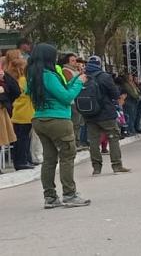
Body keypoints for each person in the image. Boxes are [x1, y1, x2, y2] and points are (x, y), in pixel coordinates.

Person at [27, 43, 90, 208]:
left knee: (49, 159)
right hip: (58, 119)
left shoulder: (33, 75)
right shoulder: (49, 75)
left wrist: (76, 79)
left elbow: (57, 91)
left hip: (40, 119)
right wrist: (78, 84)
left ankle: (50, 196)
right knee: (67, 155)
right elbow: (65, 96)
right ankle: (69, 194)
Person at [82, 56, 132, 175]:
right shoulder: (105, 77)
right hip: (106, 113)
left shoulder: (83, 77)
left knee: (94, 141)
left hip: (89, 113)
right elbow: (115, 94)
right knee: (113, 137)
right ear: (99, 64)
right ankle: (117, 165)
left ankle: (96, 168)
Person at [7, 50, 34, 170]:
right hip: (25, 112)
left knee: (20, 137)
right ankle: (23, 161)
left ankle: (24, 159)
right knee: (23, 138)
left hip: (18, 112)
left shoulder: (11, 78)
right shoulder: (23, 80)